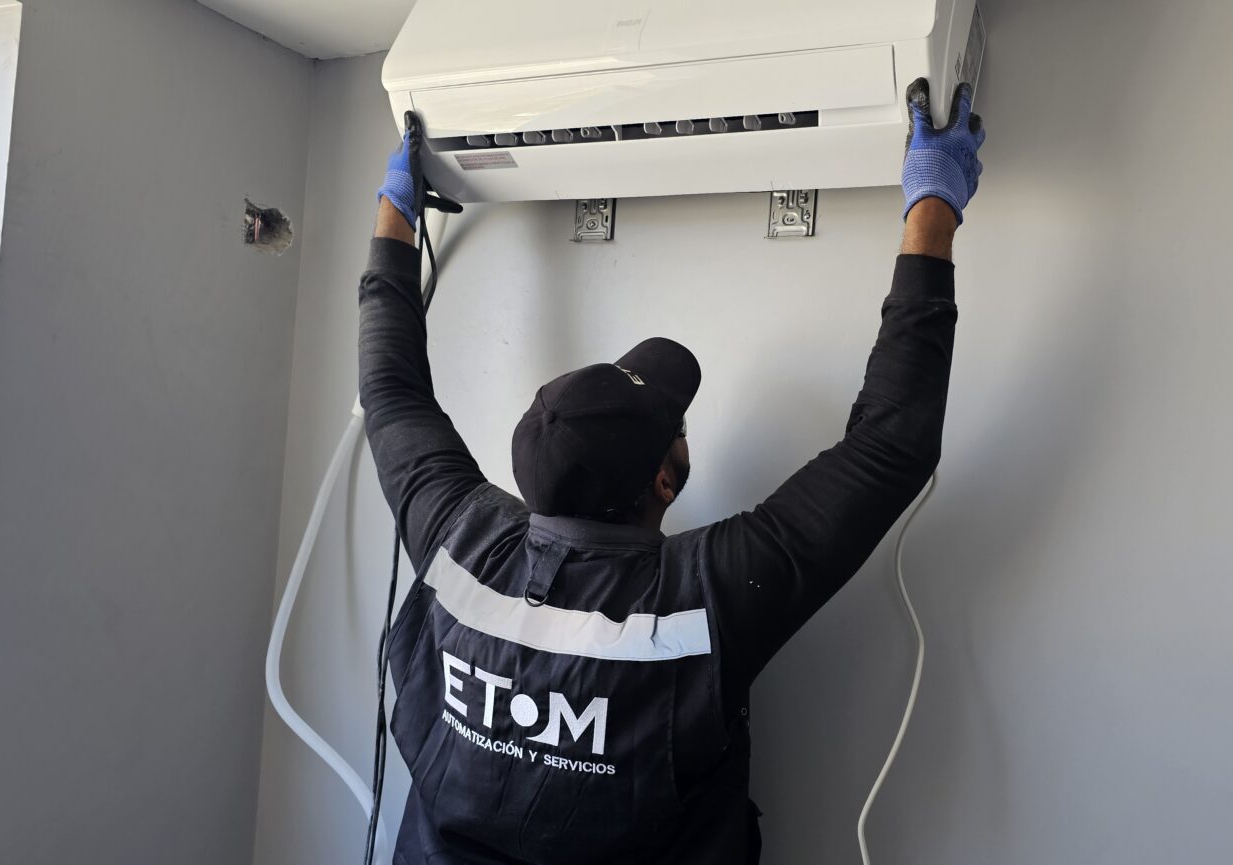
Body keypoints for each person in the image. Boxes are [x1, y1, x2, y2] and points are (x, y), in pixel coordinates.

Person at [358, 78, 984, 865]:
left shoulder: (459, 536)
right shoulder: (701, 602)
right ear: (663, 481)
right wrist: (934, 202)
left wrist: (394, 210)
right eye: (675, 426)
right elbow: (888, 448)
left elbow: (390, 392)